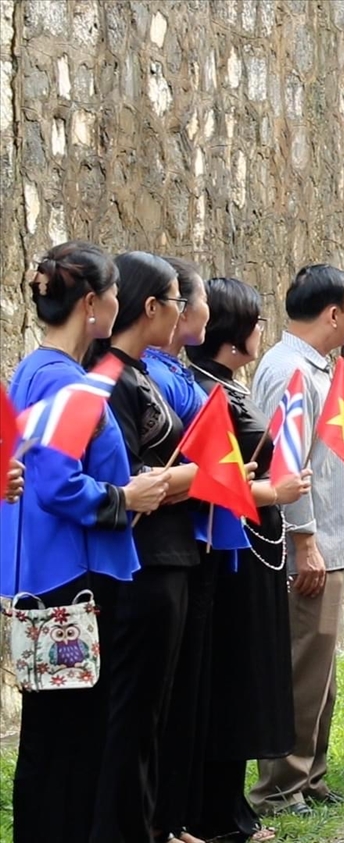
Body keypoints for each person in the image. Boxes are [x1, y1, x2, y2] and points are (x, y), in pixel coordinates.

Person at [2, 243, 168, 843]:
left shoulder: (32, 371)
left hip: (50, 575)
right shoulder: (66, 382)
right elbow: (57, 483)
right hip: (76, 581)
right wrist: (131, 497)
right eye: (115, 292)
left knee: (55, 740)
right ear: (93, 304)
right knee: (73, 743)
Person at [186, 276, 308, 841]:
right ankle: (220, 810)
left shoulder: (231, 387)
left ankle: (229, 804)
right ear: (235, 331)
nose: (261, 332)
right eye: (255, 322)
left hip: (259, 549)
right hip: (234, 552)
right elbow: (219, 476)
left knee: (252, 678)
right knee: (232, 681)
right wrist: (268, 492)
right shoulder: (207, 390)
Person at [249, 264, 344, 816]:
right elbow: (284, 464)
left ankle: (312, 776)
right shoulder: (288, 371)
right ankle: (280, 786)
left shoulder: (319, 367)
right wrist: (303, 540)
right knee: (302, 666)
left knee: (321, 671)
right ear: (331, 314)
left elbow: (319, 456)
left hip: (332, 532)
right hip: (309, 541)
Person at [91, 251, 203, 843]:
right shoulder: (109, 378)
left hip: (171, 555)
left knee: (157, 709)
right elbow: (135, 481)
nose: (183, 313)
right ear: (151, 307)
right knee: (134, 710)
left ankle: (154, 825)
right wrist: (200, 472)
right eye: (176, 301)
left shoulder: (139, 373)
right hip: (142, 562)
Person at [142, 256, 242, 843]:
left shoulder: (175, 372)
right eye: (182, 299)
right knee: (166, 697)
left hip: (200, 541)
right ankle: (164, 818)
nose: (189, 309)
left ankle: (175, 815)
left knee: (188, 692)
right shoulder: (152, 375)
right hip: (171, 543)